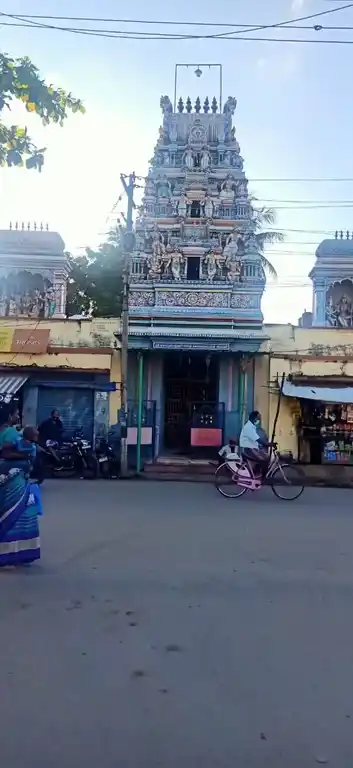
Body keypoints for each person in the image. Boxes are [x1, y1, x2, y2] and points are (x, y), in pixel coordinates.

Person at [0, 402, 41, 568]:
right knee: (19, 516)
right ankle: (13, 554)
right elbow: (27, 448)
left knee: (4, 513)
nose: (18, 416)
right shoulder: (11, 432)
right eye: (16, 414)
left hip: (4, 477)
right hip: (15, 479)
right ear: (10, 416)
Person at [239, 410, 270, 478]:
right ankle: (263, 478)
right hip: (248, 449)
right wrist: (268, 444)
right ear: (254, 418)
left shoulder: (252, 427)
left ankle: (257, 473)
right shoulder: (248, 427)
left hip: (252, 448)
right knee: (264, 459)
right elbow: (258, 439)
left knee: (266, 457)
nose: (259, 420)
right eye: (258, 418)